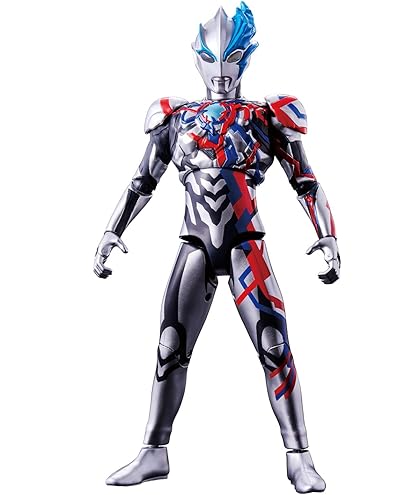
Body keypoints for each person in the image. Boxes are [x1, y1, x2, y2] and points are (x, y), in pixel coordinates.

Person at [94, 3, 340, 493]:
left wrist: (327, 233)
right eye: (213, 61)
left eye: (233, 61)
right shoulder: (175, 118)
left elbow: (306, 181)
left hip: (246, 243)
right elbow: (142, 182)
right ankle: (153, 452)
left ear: (246, 59)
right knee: (170, 347)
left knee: (274, 345)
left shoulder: (266, 117)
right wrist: (112, 230)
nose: (222, 74)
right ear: (198, 59)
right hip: (196, 243)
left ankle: (300, 457)